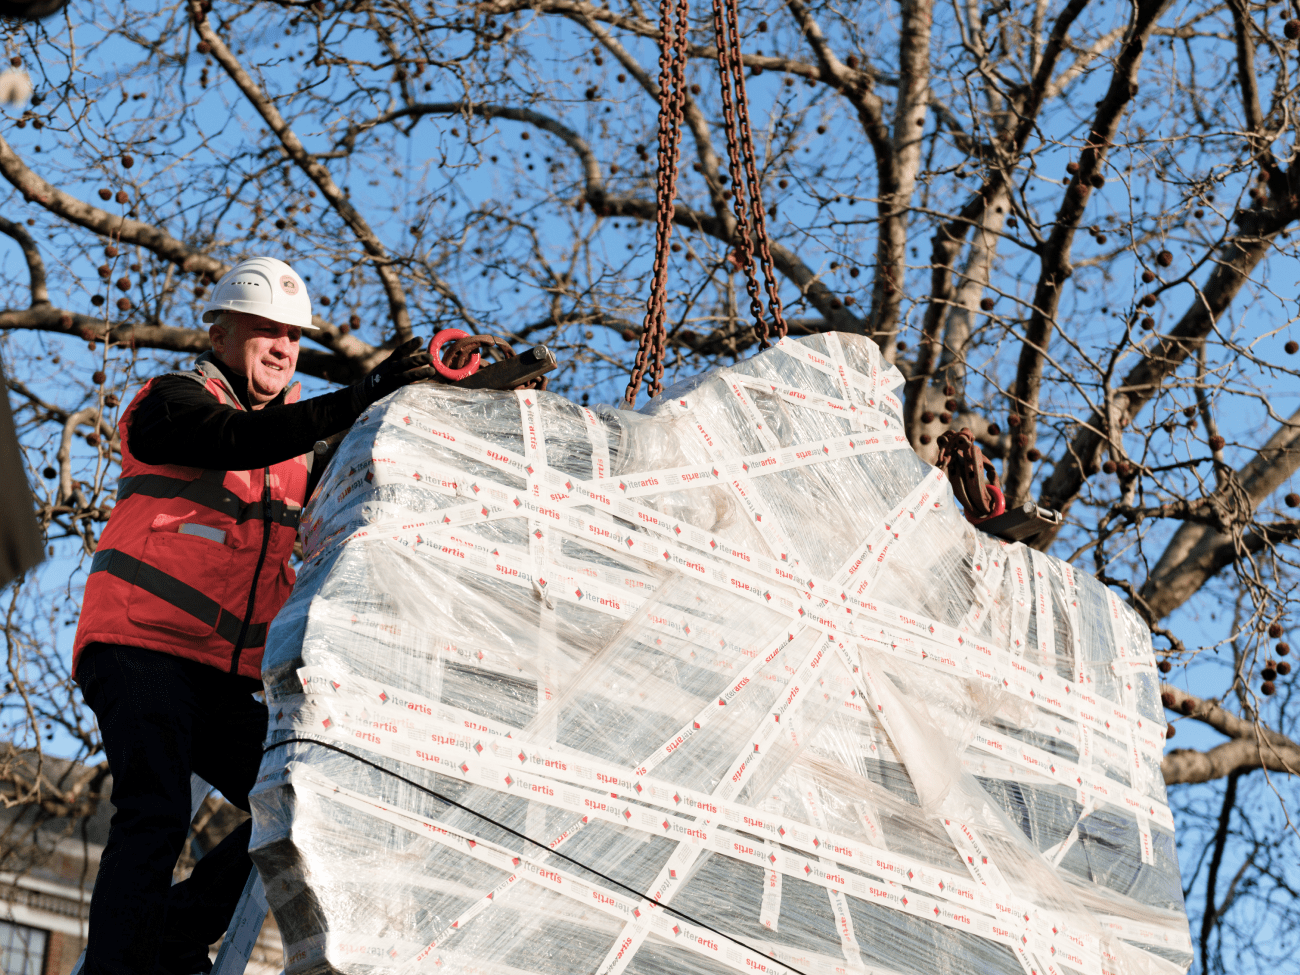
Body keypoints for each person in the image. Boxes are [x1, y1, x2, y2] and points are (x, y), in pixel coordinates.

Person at [72, 256, 438, 975]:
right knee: (154, 812)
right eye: (264, 331)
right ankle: (118, 967)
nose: (281, 347)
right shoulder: (170, 403)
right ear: (220, 332)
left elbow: (373, 462)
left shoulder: (295, 453)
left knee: (303, 805)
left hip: (215, 675)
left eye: (292, 337)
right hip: (137, 646)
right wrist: (361, 391)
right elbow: (235, 439)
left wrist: (441, 403)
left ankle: (174, 931)